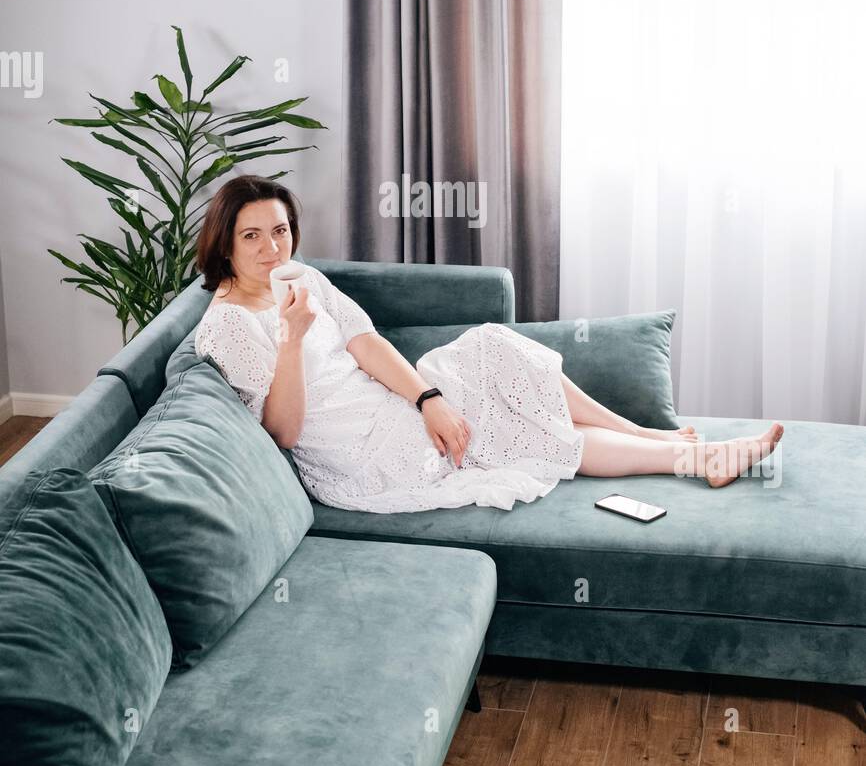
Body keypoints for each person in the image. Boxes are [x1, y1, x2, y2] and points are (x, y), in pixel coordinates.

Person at [193, 175, 783, 514]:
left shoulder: (303, 277)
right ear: (225, 247)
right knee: (525, 427)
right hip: (356, 451)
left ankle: (643, 433)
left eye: (281, 230)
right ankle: (699, 458)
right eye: (253, 236)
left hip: (387, 403)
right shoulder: (227, 325)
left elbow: (364, 342)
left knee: (496, 346)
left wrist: (428, 399)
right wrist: (292, 342)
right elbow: (283, 433)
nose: (273, 247)